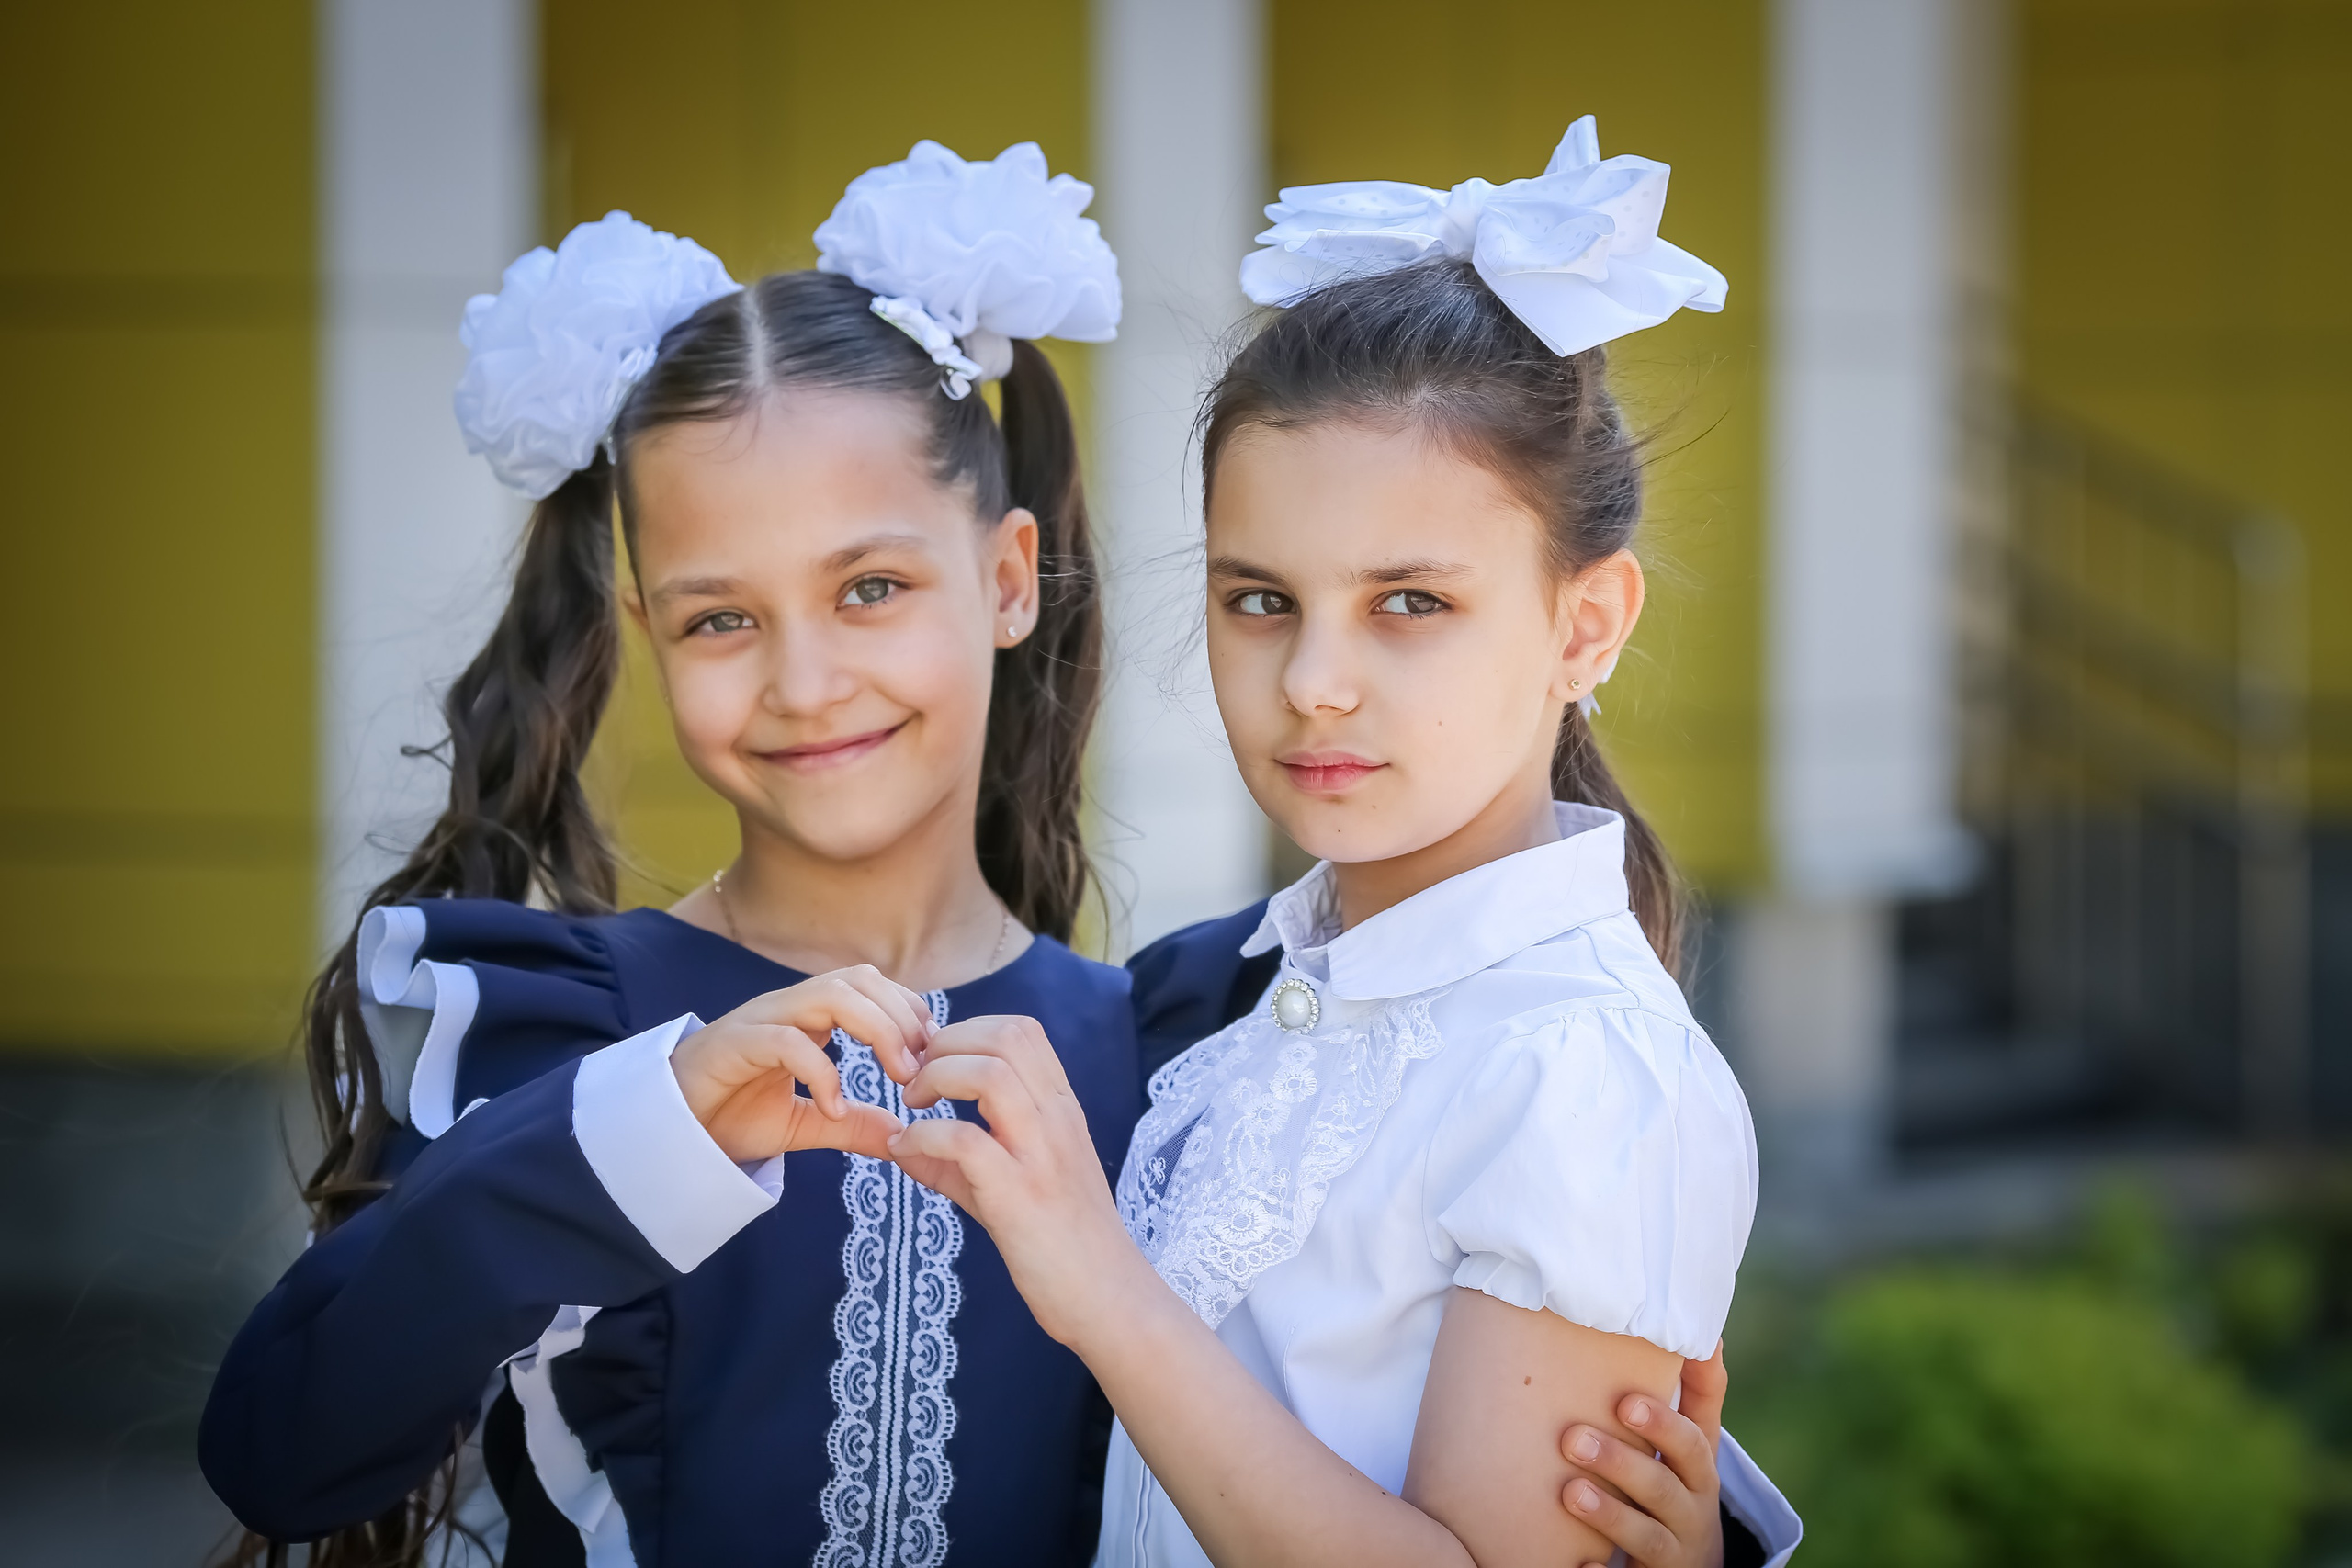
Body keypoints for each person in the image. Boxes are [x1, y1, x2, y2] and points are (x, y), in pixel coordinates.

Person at [870, 117, 1805, 1567]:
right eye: (1260, 600)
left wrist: (1100, 1288)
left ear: (1585, 623)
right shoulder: (1265, 998)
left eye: (1408, 603)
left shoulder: (1579, 1068)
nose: (1313, 680)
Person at [202, 141, 1136, 1568]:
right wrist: (657, 1123)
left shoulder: (1160, 1053)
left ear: (1006, 579)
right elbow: (282, 1449)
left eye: (870, 587)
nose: (805, 681)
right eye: (721, 619)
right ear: (648, 632)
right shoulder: (555, 1034)